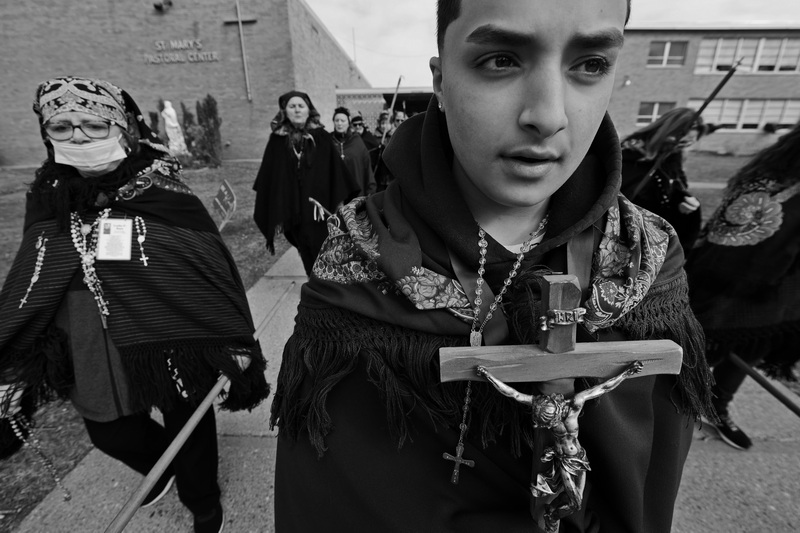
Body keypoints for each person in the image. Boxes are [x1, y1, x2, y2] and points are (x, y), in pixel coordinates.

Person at [270, 2, 714, 532]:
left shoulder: (646, 256)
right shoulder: (359, 254)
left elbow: (651, 476)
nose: (548, 116)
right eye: (502, 59)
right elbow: (329, 494)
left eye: (591, 63)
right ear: (439, 78)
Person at [0, 76, 269, 533]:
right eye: (62, 126)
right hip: (88, 329)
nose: (78, 135)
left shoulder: (163, 191)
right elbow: (35, 270)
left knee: (189, 419)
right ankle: (162, 469)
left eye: (92, 124)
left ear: (122, 127)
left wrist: (231, 336)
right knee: (108, 430)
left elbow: (209, 264)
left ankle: (202, 501)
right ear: (47, 134)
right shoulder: (46, 197)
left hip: (172, 328)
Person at [685, 122, 800, 451]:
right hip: (747, 279)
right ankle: (707, 405)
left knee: (742, 343)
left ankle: (713, 405)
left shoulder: (769, 170)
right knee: (729, 339)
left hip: (753, 278)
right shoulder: (772, 177)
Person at [252, 90, 360, 275]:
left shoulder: (322, 137)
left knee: (325, 256)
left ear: (308, 110)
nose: (297, 110)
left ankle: (325, 288)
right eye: (292, 106)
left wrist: (339, 205)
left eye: (301, 106)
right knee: (306, 253)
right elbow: (269, 176)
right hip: (294, 213)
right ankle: (315, 287)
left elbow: (337, 173)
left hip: (320, 213)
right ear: (284, 111)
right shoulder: (277, 140)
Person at [620, 107, 707, 252]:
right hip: (625, 237)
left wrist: (682, 204)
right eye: (680, 141)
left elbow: (674, 189)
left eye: (688, 143)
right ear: (664, 131)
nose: (681, 147)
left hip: (654, 238)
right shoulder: (628, 155)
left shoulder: (672, 158)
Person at [331, 107, 376, 196]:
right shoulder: (329, 141)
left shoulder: (357, 141)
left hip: (356, 193)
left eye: (342, 121)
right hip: (335, 194)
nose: (339, 123)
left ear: (348, 123)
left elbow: (366, 167)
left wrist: (370, 189)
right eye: (337, 120)